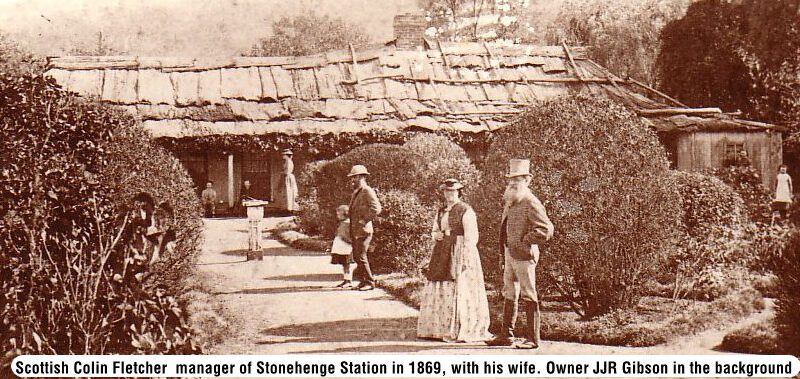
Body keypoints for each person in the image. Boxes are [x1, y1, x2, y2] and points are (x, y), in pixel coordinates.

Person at [486, 159, 554, 349]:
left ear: (527, 180)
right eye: (511, 179)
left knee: (528, 294)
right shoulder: (511, 200)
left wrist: (525, 241)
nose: (513, 183)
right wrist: (504, 250)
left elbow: (546, 229)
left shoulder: (530, 201)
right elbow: (504, 229)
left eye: (518, 179)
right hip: (509, 254)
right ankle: (506, 335)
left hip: (524, 256)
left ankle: (533, 339)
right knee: (510, 292)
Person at [417, 179, 492, 342]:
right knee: (439, 281)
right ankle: (437, 328)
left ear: (459, 192)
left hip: (459, 250)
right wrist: (435, 235)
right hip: (442, 249)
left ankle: (458, 328)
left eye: (453, 191)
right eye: (446, 191)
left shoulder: (466, 210)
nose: (449, 194)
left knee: (458, 284)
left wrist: (465, 257)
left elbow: (472, 236)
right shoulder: (441, 211)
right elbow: (435, 229)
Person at [347, 164, 382, 291]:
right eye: (352, 178)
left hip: (364, 230)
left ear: (362, 177)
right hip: (356, 230)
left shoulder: (367, 191)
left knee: (361, 255)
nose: (352, 180)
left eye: (354, 177)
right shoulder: (357, 192)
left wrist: (364, 220)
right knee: (357, 256)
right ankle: (363, 281)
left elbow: (376, 208)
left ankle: (369, 282)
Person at [330, 205, 354, 288]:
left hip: (346, 247)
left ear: (345, 213)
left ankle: (349, 280)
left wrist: (348, 240)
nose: (338, 216)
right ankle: (345, 279)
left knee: (347, 264)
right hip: (340, 247)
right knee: (344, 264)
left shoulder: (348, 223)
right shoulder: (342, 223)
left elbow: (349, 235)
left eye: (339, 214)